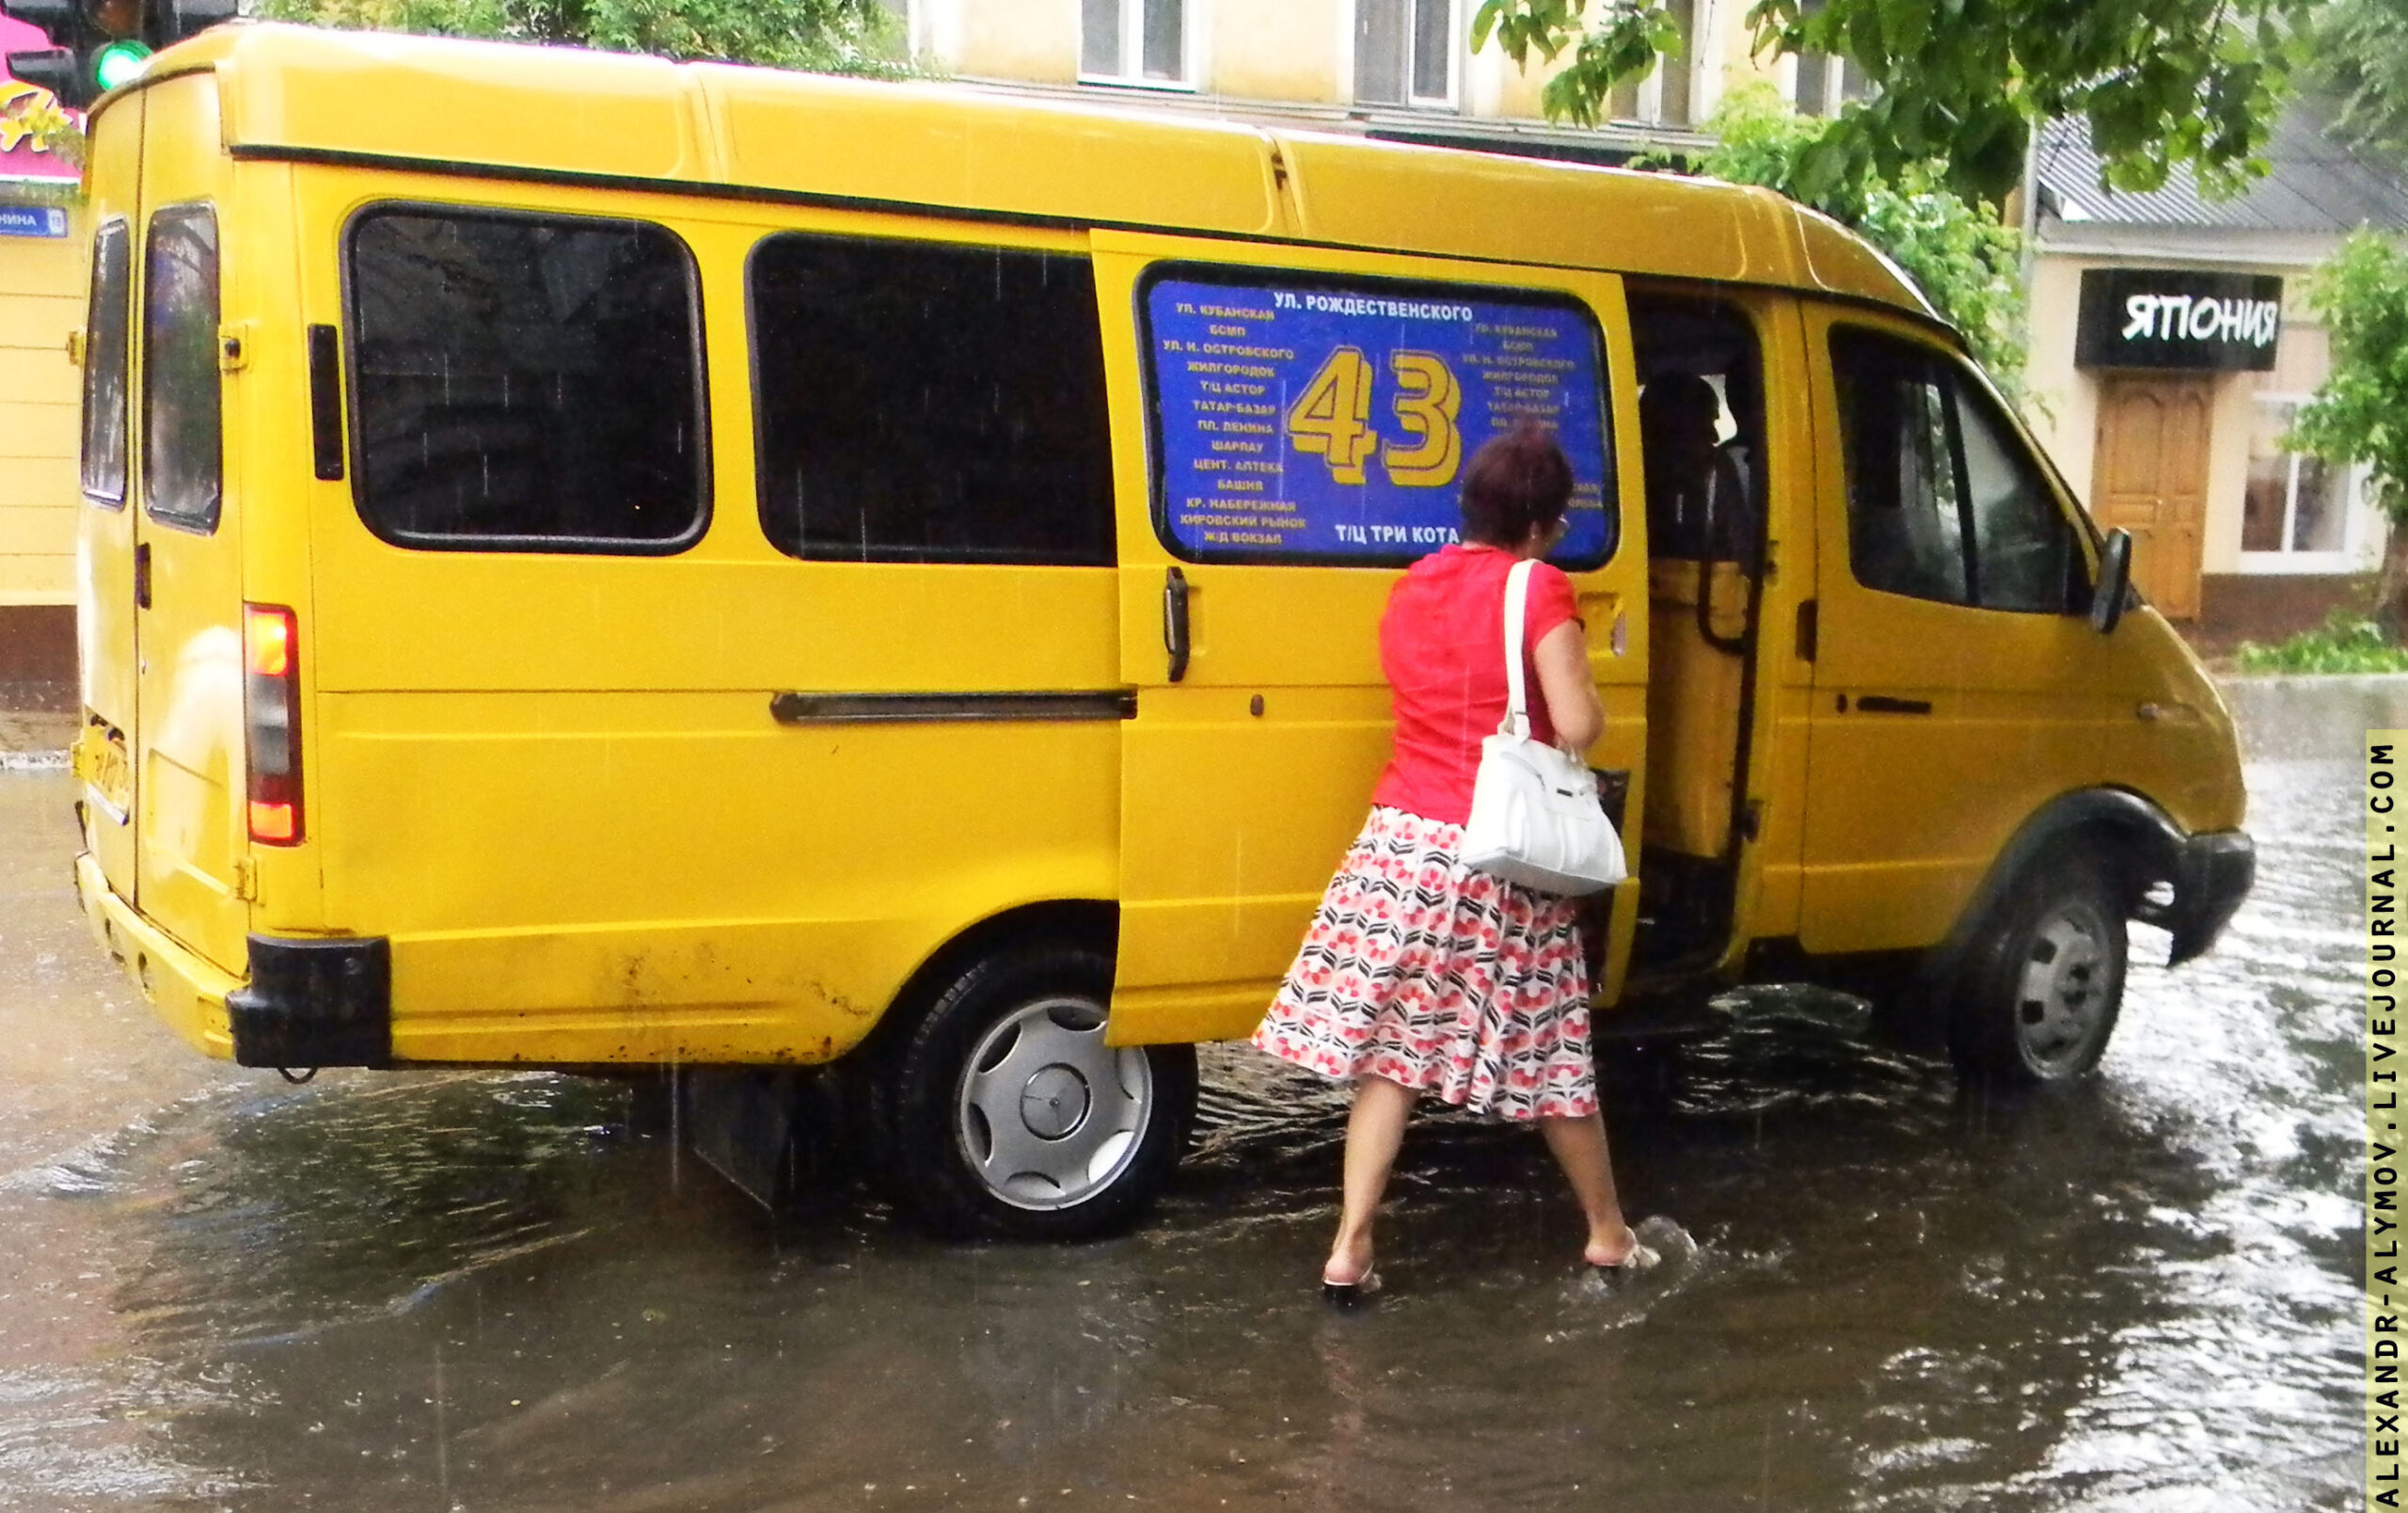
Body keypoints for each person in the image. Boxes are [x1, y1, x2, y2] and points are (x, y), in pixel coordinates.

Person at [1252, 421, 1655, 1303]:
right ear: (1545, 523)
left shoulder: (1415, 585)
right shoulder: (1538, 589)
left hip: (1399, 844)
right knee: (1554, 1053)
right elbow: (1579, 727)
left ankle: (1350, 1248)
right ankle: (1608, 1234)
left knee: (1391, 1060)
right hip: (1492, 851)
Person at [1639, 373, 1755, 570]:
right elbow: (1742, 555)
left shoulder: (1717, 471)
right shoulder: (1630, 487)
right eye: (1706, 424)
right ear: (1671, 430)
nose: (1715, 436)